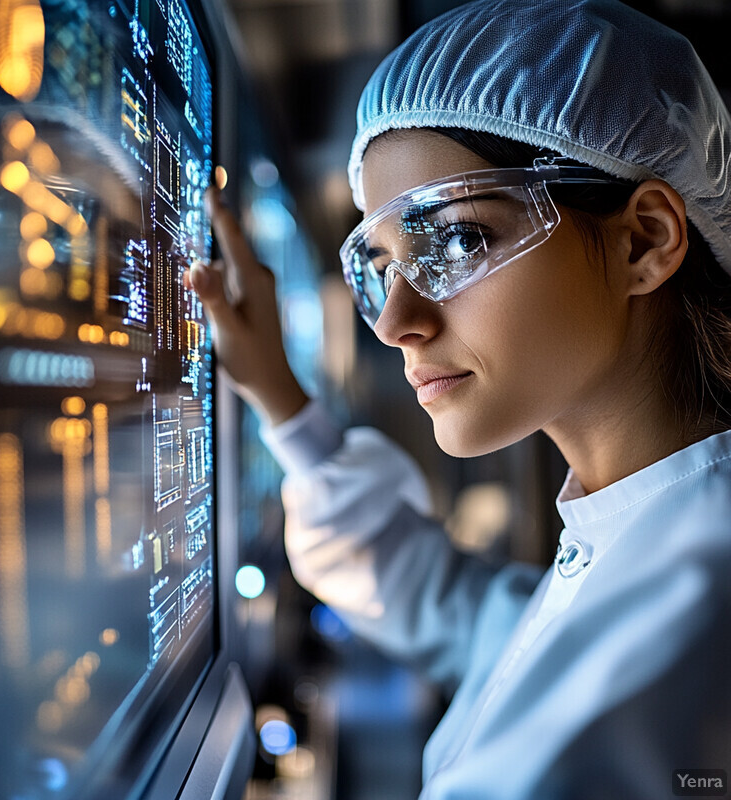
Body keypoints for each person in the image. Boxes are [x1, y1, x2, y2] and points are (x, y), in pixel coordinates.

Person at [186, 1, 731, 797]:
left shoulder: (678, 640)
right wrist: (282, 403)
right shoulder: (637, 533)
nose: (398, 322)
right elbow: (466, 616)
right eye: (382, 266)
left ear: (644, 240)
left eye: (459, 239)